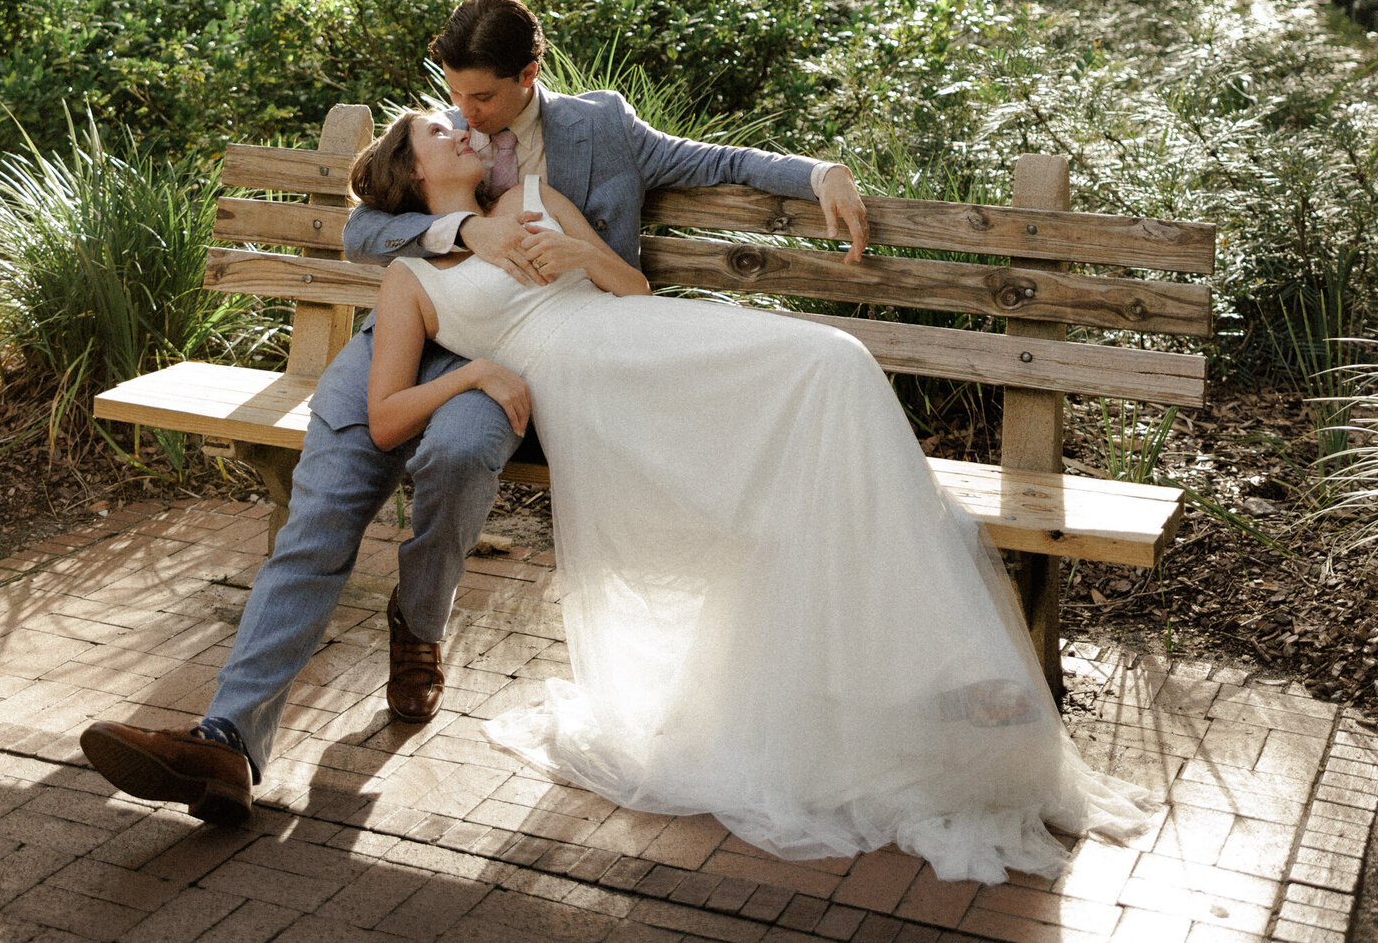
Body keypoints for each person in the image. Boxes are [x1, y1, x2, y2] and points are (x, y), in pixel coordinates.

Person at [78, 0, 870, 830]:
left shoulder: (599, 131)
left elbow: (714, 162)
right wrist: (459, 234)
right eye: (453, 96)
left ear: (529, 77)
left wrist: (820, 172)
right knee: (318, 520)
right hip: (406, 338)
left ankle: (419, 624)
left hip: (513, 360)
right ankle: (226, 742)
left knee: (457, 456)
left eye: (483, 98)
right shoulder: (443, 137)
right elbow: (362, 233)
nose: (467, 114)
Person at [358, 108, 1150, 886]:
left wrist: (577, 253)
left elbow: (631, 289)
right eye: (437, 131)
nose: (461, 128)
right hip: (593, 401)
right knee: (817, 408)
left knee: (834, 368)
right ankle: (932, 675)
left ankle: (937, 678)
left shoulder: (533, 196)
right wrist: (474, 373)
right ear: (411, 170)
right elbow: (386, 417)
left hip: (649, 344)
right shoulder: (413, 277)